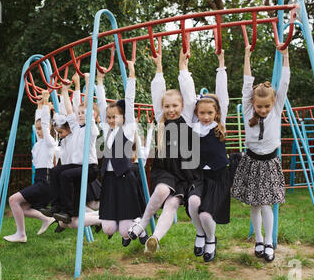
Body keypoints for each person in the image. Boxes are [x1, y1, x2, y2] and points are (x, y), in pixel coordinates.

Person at [128, 49, 201, 254]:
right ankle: (142, 223)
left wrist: (182, 67)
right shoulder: (161, 118)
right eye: (167, 106)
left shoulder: (187, 116)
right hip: (165, 168)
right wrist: (158, 68)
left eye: (175, 106)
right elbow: (157, 92)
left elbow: (187, 90)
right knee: (161, 191)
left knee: (172, 204)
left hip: (185, 171)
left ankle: (155, 239)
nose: (171, 110)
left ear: (182, 106)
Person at [231, 44, 290, 262]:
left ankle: (269, 242)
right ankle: (258, 239)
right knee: (255, 204)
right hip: (252, 161)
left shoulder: (276, 108)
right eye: (259, 107)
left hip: (269, 162)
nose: (263, 110)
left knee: (266, 204)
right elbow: (246, 85)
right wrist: (246, 55)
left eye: (266, 107)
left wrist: (286, 57)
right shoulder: (248, 109)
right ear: (253, 105)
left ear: (272, 104)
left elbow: (284, 83)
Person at [178, 49, 231, 262]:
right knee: (192, 204)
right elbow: (189, 96)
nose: (206, 116)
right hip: (198, 175)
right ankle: (200, 233)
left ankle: (210, 238)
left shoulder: (220, 124)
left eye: (210, 113)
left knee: (206, 214)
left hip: (218, 176)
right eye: (202, 113)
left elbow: (223, 94)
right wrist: (184, 68)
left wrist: (221, 65)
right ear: (197, 113)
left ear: (217, 113)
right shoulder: (193, 125)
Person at [97, 60, 148, 247]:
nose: (110, 120)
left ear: (123, 117)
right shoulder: (107, 130)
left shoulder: (127, 129)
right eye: (108, 117)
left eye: (114, 117)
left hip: (125, 177)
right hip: (110, 179)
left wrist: (132, 73)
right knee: (108, 228)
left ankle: (137, 228)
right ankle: (129, 230)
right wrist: (100, 81)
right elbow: (102, 105)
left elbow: (130, 100)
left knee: (124, 230)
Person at [46, 75, 102, 231]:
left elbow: (88, 106)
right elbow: (70, 110)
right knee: (56, 171)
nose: (80, 115)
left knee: (65, 175)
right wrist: (64, 91)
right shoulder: (76, 127)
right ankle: (56, 207)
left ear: (93, 116)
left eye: (84, 113)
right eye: (80, 113)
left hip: (90, 168)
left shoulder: (91, 129)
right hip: (77, 166)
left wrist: (88, 83)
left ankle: (68, 211)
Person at [3, 90, 57, 243]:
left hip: (45, 182)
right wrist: (40, 105)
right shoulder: (39, 143)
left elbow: (45, 124)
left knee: (13, 200)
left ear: (48, 130)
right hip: (40, 181)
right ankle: (46, 219)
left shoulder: (49, 142)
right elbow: (39, 122)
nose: (38, 131)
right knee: (24, 208)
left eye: (41, 130)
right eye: (37, 129)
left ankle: (21, 234)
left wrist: (46, 103)